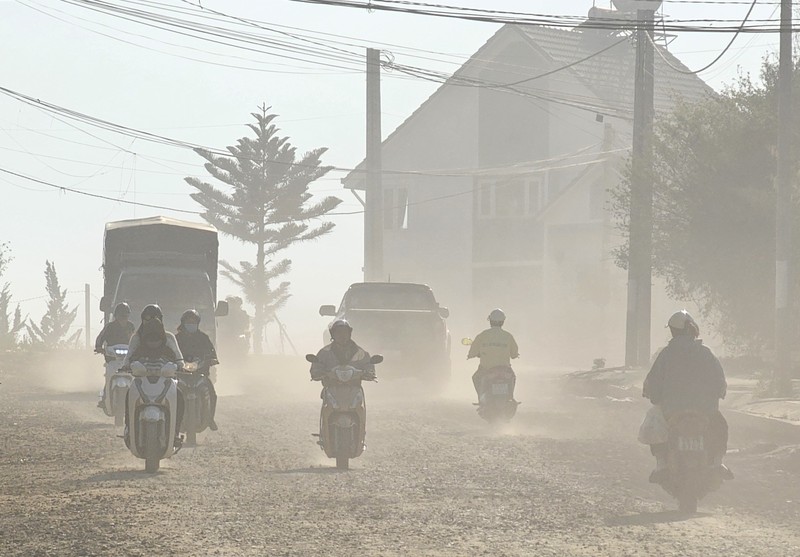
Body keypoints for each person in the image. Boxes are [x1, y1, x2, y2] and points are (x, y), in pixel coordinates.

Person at [643, 310, 732, 483]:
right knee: (721, 426)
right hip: (705, 410)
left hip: (671, 411)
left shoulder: (666, 354)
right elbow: (720, 383)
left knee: (654, 423)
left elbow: (652, 383)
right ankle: (717, 462)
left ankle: (661, 464)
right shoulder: (706, 353)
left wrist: (653, 396)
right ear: (692, 329)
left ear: (674, 332)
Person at [125, 316, 184, 446]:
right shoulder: (139, 350)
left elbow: (178, 361)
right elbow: (130, 360)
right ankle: (129, 428)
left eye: (156, 338)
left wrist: (181, 366)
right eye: (149, 338)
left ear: (162, 338)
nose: (153, 342)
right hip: (142, 383)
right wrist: (128, 365)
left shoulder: (168, 350)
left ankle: (175, 432)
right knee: (129, 394)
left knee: (179, 396)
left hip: (165, 384)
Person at [175, 309, 219, 431]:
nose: (191, 324)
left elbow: (211, 352)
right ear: (183, 323)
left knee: (212, 394)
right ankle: (172, 420)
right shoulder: (176, 338)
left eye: (193, 322)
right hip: (180, 375)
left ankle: (210, 419)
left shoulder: (203, 338)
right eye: (188, 321)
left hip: (200, 374)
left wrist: (212, 359)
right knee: (171, 394)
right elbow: (169, 352)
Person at [467, 308, 519, 402]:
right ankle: (511, 397)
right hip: (505, 369)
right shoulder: (508, 336)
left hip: (486, 369)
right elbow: (514, 354)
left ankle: (481, 399)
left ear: (490, 321)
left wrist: (470, 355)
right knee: (512, 377)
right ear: (503, 321)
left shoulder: (483, 335)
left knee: (475, 377)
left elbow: (473, 351)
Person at [94, 302, 135, 408]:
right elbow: (100, 338)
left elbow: (136, 340)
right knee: (109, 377)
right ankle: (104, 398)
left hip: (128, 359)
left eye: (125, 315)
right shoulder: (109, 327)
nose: (123, 318)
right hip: (111, 359)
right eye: (121, 315)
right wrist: (99, 347)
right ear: (116, 315)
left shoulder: (131, 326)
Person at [309, 319, 376, 383]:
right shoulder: (324, 352)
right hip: (330, 388)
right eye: (338, 332)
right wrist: (317, 372)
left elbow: (368, 365)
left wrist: (369, 372)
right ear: (333, 334)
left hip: (354, 389)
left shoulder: (359, 352)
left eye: (345, 332)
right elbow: (316, 366)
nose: (342, 335)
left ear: (349, 333)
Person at [122, 304, 183, 369]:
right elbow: (129, 357)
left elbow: (178, 358)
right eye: (148, 318)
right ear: (143, 319)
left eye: (155, 318)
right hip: (142, 376)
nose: (152, 321)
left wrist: (180, 366)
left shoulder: (169, 337)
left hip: (165, 376)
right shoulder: (136, 338)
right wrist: (126, 366)